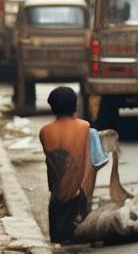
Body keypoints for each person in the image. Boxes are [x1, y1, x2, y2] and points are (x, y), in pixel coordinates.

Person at [38, 86, 97, 244]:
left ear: (52, 107)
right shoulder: (85, 127)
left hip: (57, 196)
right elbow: (93, 160)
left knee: (58, 238)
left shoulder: (45, 131)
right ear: (75, 105)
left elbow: (53, 165)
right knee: (78, 236)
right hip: (80, 196)